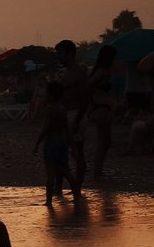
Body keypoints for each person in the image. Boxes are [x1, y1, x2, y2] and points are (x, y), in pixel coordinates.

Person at [34, 81, 79, 205]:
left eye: (47, 94)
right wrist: (73, 146)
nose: (45, 96)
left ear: (52, 96)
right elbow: (67, 128)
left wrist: (37, 143)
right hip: (62, 141)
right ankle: (77, 196)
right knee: (66, 171)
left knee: (50, 173)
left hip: (51, 142)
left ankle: (48, 202)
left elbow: (46, 128)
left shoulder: (49, 109)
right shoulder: (62, 109)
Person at [54, 39, 89, 195]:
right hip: (64, 114)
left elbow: (84, 98)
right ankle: (60, 187)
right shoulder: (63, 72)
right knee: (61, 151)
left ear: (70, 54)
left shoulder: (79, 72)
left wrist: (77, 119)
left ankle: (77, 187)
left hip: (75, 113)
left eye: (61, 54)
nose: (58, 57)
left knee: (78, 151)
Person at [86, 44, 117, 182]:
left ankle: (99, 171)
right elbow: (88, 86)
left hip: (103, 107)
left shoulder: (103, 70)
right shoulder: (102, 71)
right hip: (101, 108)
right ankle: (97, 173)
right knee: (102, 141)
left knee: (106, 141)